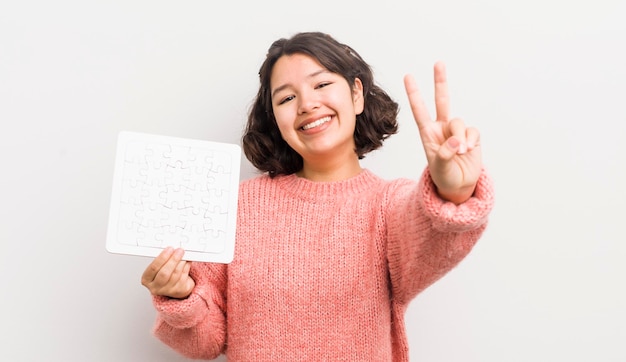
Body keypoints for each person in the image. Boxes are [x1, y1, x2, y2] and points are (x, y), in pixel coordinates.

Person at [141, 31, 494, 361]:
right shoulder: (236, 207)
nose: (307, 104)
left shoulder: (389, 205)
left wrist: (453, 187)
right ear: (275, 118)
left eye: (322, 84)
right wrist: (179, 295)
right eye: (287, 97)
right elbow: (206, 342)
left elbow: (432, 234)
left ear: (356, 94)